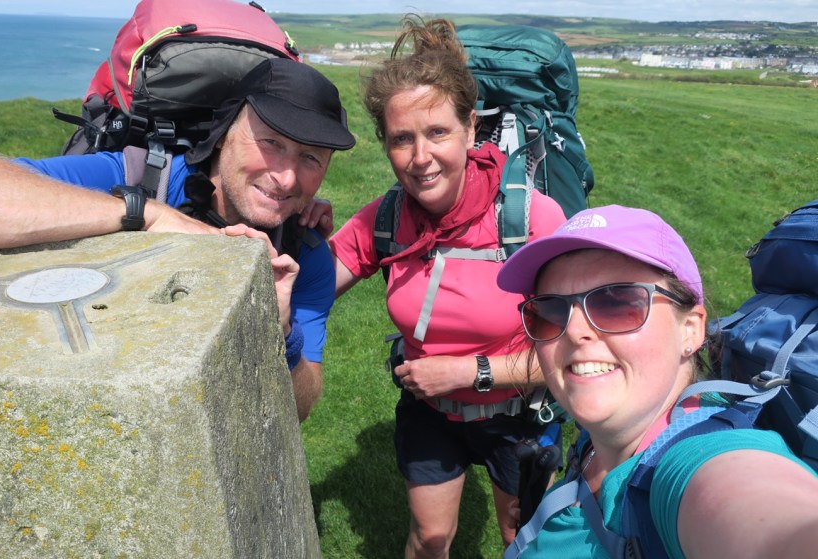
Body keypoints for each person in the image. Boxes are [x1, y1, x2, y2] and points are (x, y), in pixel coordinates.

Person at [0, 57, 356, 422]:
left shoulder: (306, 257)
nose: (287, 179)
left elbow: (300, 408)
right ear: (224, 135)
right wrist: (146, 213)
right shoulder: (141, 177)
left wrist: (284, 331)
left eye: (310, 158)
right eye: (270, 142)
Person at [329, 17, 567, 558]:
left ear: (471, 129)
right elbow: (313, 285)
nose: (420, 158)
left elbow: (575, 351)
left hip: (518, 414)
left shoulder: (531, 220)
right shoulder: (385, 219)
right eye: (401, 139)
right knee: (430, 538)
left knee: (521, 539)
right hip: (431, 412)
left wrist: (469, 371)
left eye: (437, 132)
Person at [496, 204, 818, 558]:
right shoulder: (609, 433)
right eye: (550, 311)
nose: (573, 331)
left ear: (690, 330)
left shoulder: (703, 461)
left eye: (617, 303)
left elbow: (766, 518)